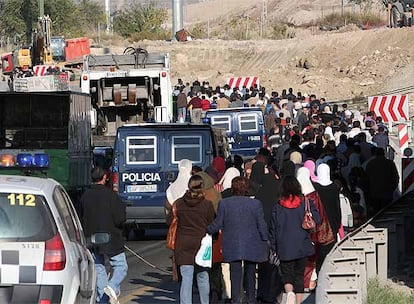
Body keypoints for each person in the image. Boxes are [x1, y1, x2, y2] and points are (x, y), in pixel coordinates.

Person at [207, 176, 269, 304]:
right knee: (250, 273)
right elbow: (261, 224)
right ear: (247, 188)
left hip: (232, 243)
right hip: (252, 243)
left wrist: (206, 230)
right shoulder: (255, 204)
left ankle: (236, 299)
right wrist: (265, 239)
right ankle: (251, 299)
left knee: (235, 274)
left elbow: (218, 223)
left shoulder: (224, 203)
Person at [80, 166, 127, 304]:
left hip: (91, 238)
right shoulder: (112, 196)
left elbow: (81, 217)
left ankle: (103, 300)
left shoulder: (85, 196)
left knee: (99, 268)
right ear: (105, 178)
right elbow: (120, 219)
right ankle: (112, 287)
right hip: (111, 238)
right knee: (121, 266)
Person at [270, 175, 320, 304]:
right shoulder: (305, 202)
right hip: (302, 245)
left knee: (287, 275)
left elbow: (273, 228)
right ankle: (297, 301)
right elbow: (317, 220)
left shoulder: (278, 206)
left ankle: (289, 293)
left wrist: (274, 246)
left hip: (284, 246)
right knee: (299, 276)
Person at [169, 175, 215, 304]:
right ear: (202, 187)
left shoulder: (178, 203)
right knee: (203, 276)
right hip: (202, 243)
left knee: (186, 278)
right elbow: (212, 224)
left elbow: (170, 221)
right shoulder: (207, 205)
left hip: (183, 243)